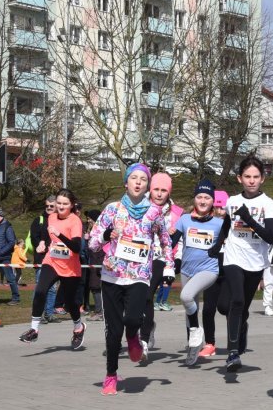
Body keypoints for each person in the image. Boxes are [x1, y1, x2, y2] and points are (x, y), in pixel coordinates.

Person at [88, 163, 175, 395]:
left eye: (143, 179)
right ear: (126, 183)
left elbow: (166, 241)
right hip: (112, 275)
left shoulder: (154, 212)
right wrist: (106, 236)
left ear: (147, 185)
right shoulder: (112, 209)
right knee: (113, 331)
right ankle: (111, 375)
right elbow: (92, 242)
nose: (138, 182)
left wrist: (169, 266)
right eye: (133, 178)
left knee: (134, 318)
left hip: (139, 275)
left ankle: (134, 338)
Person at [211, 155, 273, 372]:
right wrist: (216, 244)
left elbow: (269, 236)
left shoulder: (268, 203)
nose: (251, 181)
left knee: (242, 308)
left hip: (256, 262)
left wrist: (248, 218)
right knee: (233, 303)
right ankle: (232, 353)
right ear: (239, 178)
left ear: (262, 179)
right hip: (233, 257)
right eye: (247, 176)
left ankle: (242, 327)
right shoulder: (232, 201)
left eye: (255, 177)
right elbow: (227, 226)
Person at [19, 189, 86, 347]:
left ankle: (78, 327)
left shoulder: (75, 221)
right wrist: (43, 242)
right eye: (59, 203)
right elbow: (47, 234)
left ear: (71, 205)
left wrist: (60, 235)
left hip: (70, 267)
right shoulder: (51, 217)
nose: (61, 206)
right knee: (40, 290)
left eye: (65, 204)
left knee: (70, 303)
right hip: (52, 261)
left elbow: (76, 247)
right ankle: (34, 330)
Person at [172, 179, 223, 366]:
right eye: (199, 197)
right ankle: (192, 347)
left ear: (212, 201)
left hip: (208, 270)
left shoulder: (218, 223)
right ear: (195, 199)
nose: (202, 201)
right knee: (189, 309)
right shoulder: (184, 219)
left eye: (207, 197)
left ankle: (197, 332)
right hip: (187, 270)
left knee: (186, 296)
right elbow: (171, 242)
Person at [140, 173, 183, 361]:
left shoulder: (175, 213)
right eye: (156, 189)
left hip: (160, 258)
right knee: (139, 299)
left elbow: (179, 242)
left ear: (169, 192)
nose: (159, 194)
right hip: (139, 256)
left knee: (148, 294)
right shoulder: (140, 206)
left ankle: (144, 339)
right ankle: (146, 326)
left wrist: (173, 264)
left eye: (163, 190)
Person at [200, 189, 229, 358]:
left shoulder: (232, 226)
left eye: (222, 208)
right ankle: (209, 343)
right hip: (209, 270)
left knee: (225, 307)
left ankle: (235, 338)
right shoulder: (206, 224)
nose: (219, 211)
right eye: (216, 208)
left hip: (228, 272)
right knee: (208, 309)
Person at [29, 198, 58, 322]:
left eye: (52, 206)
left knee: (52, 288)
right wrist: (40, 244)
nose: (49, 208)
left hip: (56, 259)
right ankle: (37, 314)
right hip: (41, 259)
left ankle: (49, 313)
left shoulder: (59, 221)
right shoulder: (39, 220)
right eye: (47, 205)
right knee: (40, 287)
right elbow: (33, 238)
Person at [84, 210, 105, 321]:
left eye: (89, 219)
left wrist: (100, 264)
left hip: (98, 263)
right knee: (95, 287)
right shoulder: (91, 231)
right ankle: (101, 311)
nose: (88, 221)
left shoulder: (100, 231)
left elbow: (101, 249)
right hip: (93, 262)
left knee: (96, 287)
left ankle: (100, 312)